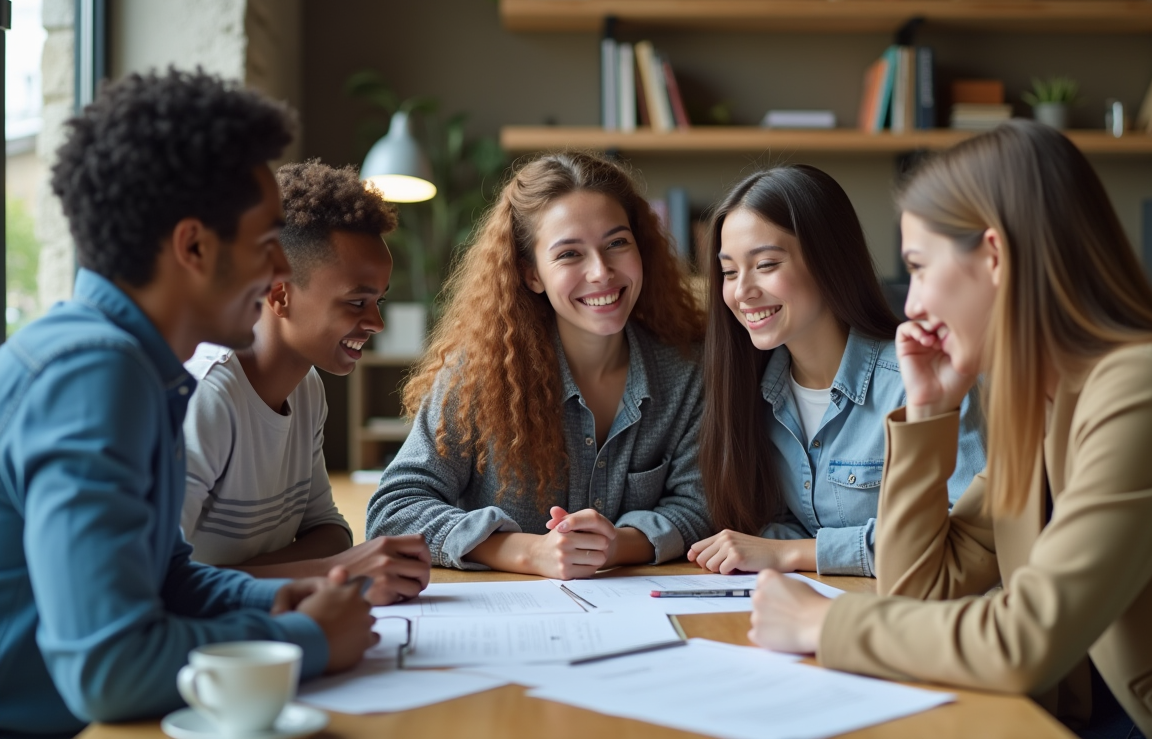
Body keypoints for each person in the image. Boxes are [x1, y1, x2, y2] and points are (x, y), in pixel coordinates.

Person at [748, 121, 1152, 739]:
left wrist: (822, 625)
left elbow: (1026, 639)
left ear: (994, 256)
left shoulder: (1144, 388)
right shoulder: (1042, 402)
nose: (912, 306)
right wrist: (929, 413)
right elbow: (918, 590)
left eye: (919, 267)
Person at [0, 70, 377, 738]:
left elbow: (167, 576)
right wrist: (303, 640)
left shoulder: (139, 369)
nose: (281, 273)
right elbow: (109, 669)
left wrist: (277, 598)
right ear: (194, 246)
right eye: (266, 244)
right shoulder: (94, 376)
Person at [365, 151, 710, 579]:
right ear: (532, 274)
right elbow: (393, 510)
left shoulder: (688, 372)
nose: (601, 272)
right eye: (569, 254)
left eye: (617, 243)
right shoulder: (479, 374)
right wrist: (527, 552)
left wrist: (615, 545)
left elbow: (699, 506)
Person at [689, 165, 985, 577]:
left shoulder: (925, 381)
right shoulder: (753, 391)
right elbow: (787, 526)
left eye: (766, 264)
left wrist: (791, 553)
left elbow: (966, 537)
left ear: (828, 259)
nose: (742, 292)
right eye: (729, 272)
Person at [182, 160, 431, 606]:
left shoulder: (307, 389)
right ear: (280, 295)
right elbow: (161, 582)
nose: (376, 323)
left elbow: (330, 532)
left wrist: (315, 569)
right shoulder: (207, 395)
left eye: (379, 300)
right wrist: (336, 573)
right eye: (356, 302)